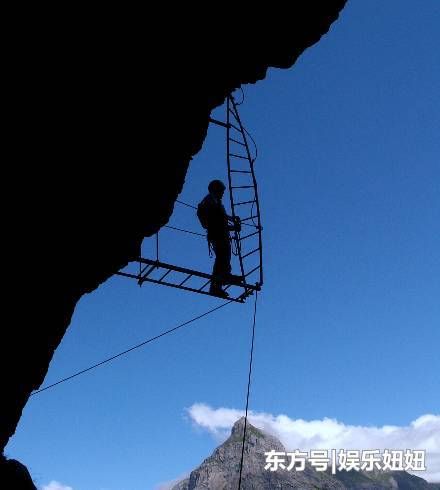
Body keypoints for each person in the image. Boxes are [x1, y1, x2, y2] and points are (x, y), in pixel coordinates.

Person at [197, 180, 241, 297]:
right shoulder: (210, 202)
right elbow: (217, 222)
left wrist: (232, 219)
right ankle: (216, 285)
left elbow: (221, 217)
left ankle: (224, 277)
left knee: (224, 257)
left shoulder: (214, 201)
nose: (222, 194)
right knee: (222, 257)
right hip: (217, 234)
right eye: (221, 191)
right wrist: (232, 227)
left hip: (220, 234)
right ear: (215, 190)